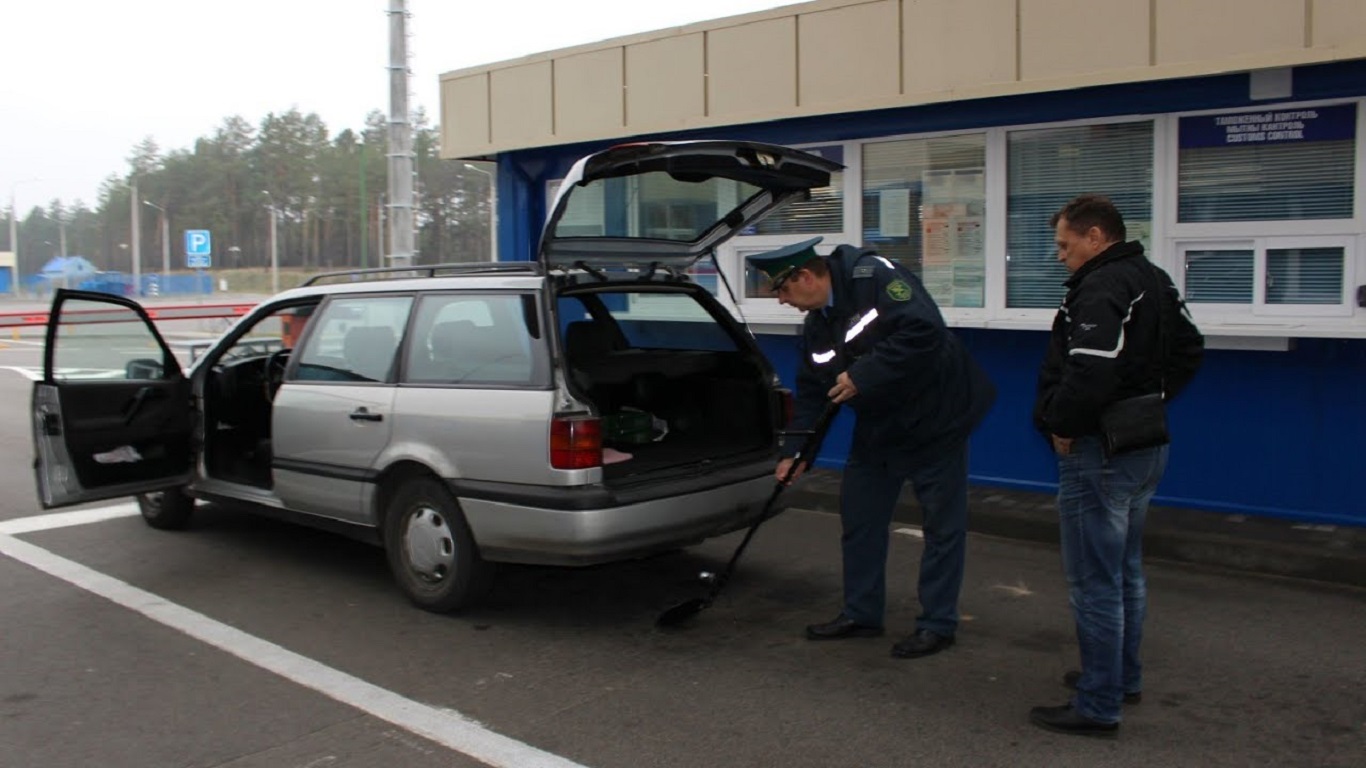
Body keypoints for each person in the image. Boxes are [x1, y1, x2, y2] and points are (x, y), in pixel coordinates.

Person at [747, 237, 996, 659]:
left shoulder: (874, 277)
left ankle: (937, 624)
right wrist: (796, 453)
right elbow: (812, 392)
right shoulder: (817, 324)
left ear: (806, 276)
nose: (783, 303)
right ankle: (861, 613)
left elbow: (925, 329)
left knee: (942, 526)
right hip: (882, 424)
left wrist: (865, 373)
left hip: (937, 418)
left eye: (784, 292)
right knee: (860, 515)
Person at [1029, 195, 1204, 737]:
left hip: (1099, 454)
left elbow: (1090, 373)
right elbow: (1190, 348)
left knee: (1094, 582)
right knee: (1124, 571)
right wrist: (1147, 402)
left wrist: (1062, 424)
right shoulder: (1151, 276)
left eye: (1065, 245)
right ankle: (1120, 677)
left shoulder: (1104, 285)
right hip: (1142, 447)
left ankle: (1099, 702)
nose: (1060, 256)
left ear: (1096, 237)